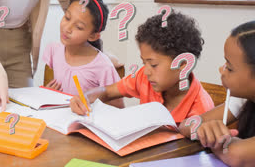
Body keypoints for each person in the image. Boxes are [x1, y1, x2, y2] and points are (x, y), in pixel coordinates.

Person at [70, 12, 214, 123]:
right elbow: (107, 91)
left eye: (153, 65)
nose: (146, 71)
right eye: (144, 62)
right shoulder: (144, 78)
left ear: (183, 65)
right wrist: (86, 97)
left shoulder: (201, 108)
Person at [179, 19, 255, 167]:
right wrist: (203, 129)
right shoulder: (244, 99)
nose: (221, 69)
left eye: (230, 68)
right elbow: (186, 125)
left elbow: (238, 156)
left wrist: (216, 141)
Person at [42, 0, 123, 108]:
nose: (67, 28)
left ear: (93, 36)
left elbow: (118, 109)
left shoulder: (103, 66)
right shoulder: (54, 50)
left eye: (78, 27)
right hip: (57, 121)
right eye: (67, 18)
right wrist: (46, 93)